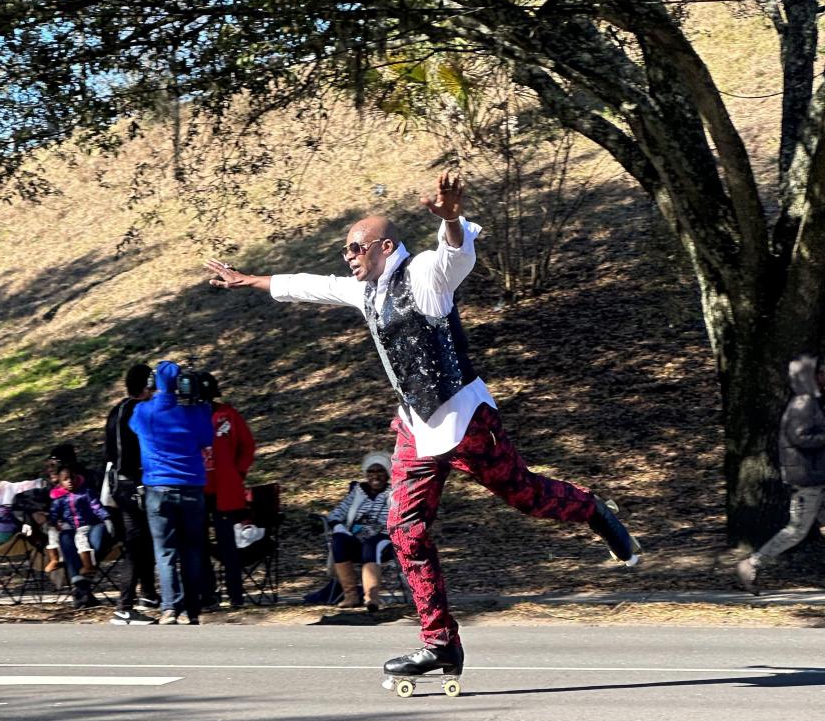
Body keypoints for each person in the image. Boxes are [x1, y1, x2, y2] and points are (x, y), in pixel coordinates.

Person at [207, 172, 640, 682]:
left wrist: (452, 218)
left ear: (385, 246)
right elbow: (306, 286)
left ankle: (592, 509)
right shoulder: (364, 291)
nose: (348, 257)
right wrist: (248, 280)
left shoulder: (426, 276)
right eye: (345, 251)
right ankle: (439, 644)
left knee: (525, 496)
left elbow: (456, 255)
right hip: (416, 428)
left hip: (464, 420)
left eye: (355, 248)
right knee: (404, 530)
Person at [131, 361, 214, 625]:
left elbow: (134, 426)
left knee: (165, 551)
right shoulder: (197, 412)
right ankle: (192, 610)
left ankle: (169, 608)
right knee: (191, 550)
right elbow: (206, 439)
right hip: (191, 487)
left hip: (158, 488)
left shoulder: (143, 412)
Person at [737, 355, 825, 594]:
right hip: (808, 480)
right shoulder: (803, 403)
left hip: (817, 477)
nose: (824, 377)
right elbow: (799, 436)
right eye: (821, 373)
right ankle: (752, 564)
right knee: (796, 530)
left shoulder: (811, 402)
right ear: (810, 376)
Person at [104, 364, 160, 626]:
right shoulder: (139, 411)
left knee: (143, 540)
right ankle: (124, 606)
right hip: (133, 483)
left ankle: (147, 593)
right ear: (146, 385)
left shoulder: (117, 409)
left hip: (120, 482)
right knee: (136, 544)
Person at [201, 372, 256, 610]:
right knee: (200, 544)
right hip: (198, 491)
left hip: (225, 490)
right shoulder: (188, 417)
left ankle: (235, 596)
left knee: (228, 546)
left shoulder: (228, 414)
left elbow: (247, 445)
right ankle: (208, 594)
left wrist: (238, 472)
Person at [326, 452, 394, 612]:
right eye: (371, 472)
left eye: (380, 471)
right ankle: (351, 595)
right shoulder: (358, 491)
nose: (375, 476)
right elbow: (335, 514)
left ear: (388, 473)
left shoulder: (395, 492)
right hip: (357, 538)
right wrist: (338, 526)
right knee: (339, 540)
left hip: (384, 539)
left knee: (372, 544)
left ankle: (372, 598)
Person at [48, 464, 113, 608]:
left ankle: (83, 583)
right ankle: (81, 590)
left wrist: (106, 518)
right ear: (60, 482)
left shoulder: (86, 492)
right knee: (65, 540)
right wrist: (52, 522)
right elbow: (53, 513)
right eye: (65, 479)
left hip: (91, 524)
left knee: (94, 543)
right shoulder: (58, 498)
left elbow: (96, 506)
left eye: (71, 478)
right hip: (70, 528)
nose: (69, 481)